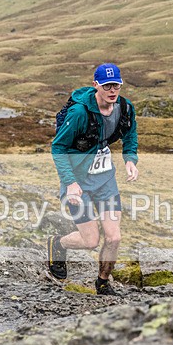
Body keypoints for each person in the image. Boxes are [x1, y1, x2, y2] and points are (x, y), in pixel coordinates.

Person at [47, 63, 139, 295]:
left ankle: (103, 283)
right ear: (95, 84)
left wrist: (130, 159)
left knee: (114, 237)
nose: (112, 90)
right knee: (90, 241)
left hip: (105, 182)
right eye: (106, 85)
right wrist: (70, 183)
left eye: (116, 85)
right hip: (78, 184)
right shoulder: (79, 113)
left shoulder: (125, 108)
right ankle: (58, 244)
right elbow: (58, 148)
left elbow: (130, 134)